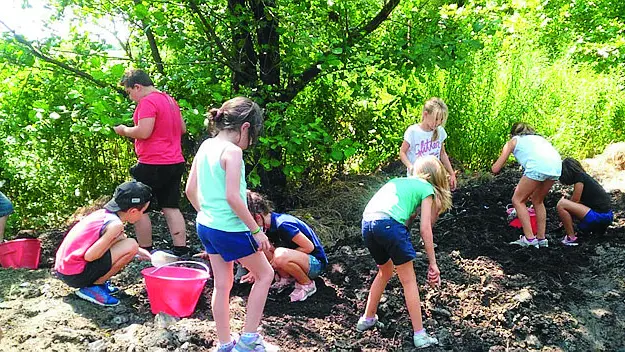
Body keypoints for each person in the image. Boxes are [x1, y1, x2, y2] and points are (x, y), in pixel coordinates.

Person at [185, 97, 276, 352]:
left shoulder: (206, 146)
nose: (250, 143)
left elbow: (190, 190)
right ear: (245, 127)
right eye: (252, 136)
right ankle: (248, 340)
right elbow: (233, 197)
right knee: (265, 274)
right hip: (229, 229)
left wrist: (208, 215)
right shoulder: (232, 152)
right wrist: (256, 231)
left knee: (223, 285)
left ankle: (225, 344)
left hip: (206, 226)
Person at [357, 155, 452, 349]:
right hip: (389, 225)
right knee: (409, 281)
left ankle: (367, 318)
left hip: (368, 223)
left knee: (385, 271)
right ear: (436, 179)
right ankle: (420, 335)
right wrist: (433, 263)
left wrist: (409, 219)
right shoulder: (427, 189)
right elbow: (425, 228)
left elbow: (402, 218)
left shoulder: (400, 182)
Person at [113, 69, 188, 257]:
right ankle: (180, 249)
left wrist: (124, 130)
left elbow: (144, 132)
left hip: (152, 163)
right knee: (170, 206)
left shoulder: (147, 102)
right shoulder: (169, 100)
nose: (131, 98)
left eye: (130, 92)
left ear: (137, 87)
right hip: (174, 160)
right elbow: (182, 129)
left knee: (139, 207)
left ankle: (145, 250)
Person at [54, 181, 152, 306]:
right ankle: (94, 287)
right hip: (75, 274)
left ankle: (95, 285)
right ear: (133, 211)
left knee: (129, 244)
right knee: (131, 245)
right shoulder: (115, 225)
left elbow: (117, 241)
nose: (142, 214)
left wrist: (145, 254)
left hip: (65, 270)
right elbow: (90, 256)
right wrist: (131, 249)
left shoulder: (104, 215)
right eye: (143, 211)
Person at [246, 191, 328, 302]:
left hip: (314, 264)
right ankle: (286, 278)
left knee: (280, 255)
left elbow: (309, 247)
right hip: (296, 259)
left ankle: (307, 284)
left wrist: (278, 260)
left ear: (257, 217)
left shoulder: (283, 224)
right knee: (264, 246)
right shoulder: (269, 227)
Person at [492, 122, 561, 248]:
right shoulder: (540, 139)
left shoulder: (513, 141)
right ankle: (541, 239)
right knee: (538, 201)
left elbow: (496, 169)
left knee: (517, 200)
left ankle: (529, 239)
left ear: (512, 134)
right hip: (556, 167)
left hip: (537, 167)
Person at [399, 97, 457, 190]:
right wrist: (410, 166)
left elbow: (442, 153)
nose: (438, 123)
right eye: (436, 119)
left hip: (434, 177)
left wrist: (451, 173)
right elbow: (402, 152)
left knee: (436, 201)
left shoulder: (440, 131)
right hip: (417, 178)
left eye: (441, 120)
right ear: (425, 114)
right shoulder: (413, 131)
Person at [557, 157, 613, 245]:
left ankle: (571, 238)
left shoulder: (580, 178)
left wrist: (565, 217)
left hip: (599, 216)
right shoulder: (586, 178)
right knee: (570, 210)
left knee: (561, 204)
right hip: (607, 216)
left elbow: (575, 200)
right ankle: (594, 230)